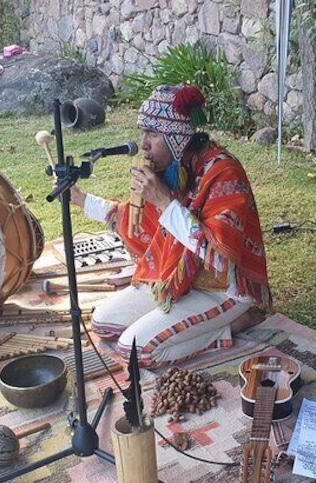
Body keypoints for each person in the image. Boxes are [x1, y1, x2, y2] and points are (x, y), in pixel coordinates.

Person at [68, 84, 272, 368]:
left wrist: (164, 201)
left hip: (223, 288)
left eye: (153, 134)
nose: (144, 144)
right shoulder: (175, 172)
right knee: (103, 324)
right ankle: (175, 325)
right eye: (144, 134)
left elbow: (220, 257)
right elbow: (136, 220)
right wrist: (81, 199)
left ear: (177, 138)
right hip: (178, 281)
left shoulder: (224, 174)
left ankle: (234, 325)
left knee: (134, 350)